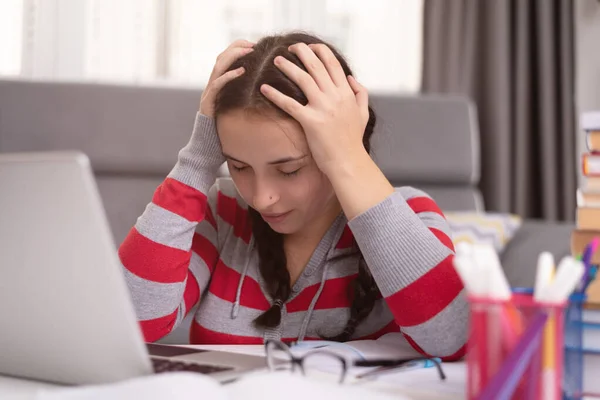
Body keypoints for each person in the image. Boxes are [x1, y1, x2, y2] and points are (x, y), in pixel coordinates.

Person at [119, 32, 468, 360]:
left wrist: (350, 157)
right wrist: (198, 158)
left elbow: (451, 338)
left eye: (289, 170)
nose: (261, 198)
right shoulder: (222, 213)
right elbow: (132, 323)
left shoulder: (409, 213)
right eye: (239, 167)